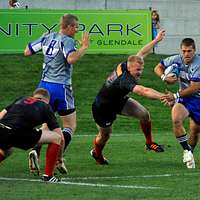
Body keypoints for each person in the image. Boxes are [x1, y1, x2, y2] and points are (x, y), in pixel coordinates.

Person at [24, 14, 90, 174]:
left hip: (43, 87)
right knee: (69, 125)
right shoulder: (67, 41)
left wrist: (42, 39)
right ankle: (57, 159)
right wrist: (84, 47)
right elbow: (71, 59)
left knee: (46, 124)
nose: (76, 30)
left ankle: (35, 150)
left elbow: (27, 51)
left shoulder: (47, 37)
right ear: (67, 27)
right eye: (75, 27)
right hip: (60, 87)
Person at [90, 30, 166, 165]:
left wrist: (156, 40)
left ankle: (149, 143)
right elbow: (143, 91)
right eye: (137, 70)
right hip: (103, 107)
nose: (140, 73)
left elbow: (141, 53)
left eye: (141, 69)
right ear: (130, 68)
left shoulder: (127, 64)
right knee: (105, 135)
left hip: (119, 101)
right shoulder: (125, 80)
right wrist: (164, 96)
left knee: (144, 115)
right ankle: (97, 155)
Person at [0, 88, 64, 183]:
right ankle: (48, 176)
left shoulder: (21, 99)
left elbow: (1, 115)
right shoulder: (45, 107)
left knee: (7, 150)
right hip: (17, 132)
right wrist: (59, 158)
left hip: (2, 129)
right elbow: (60, 137)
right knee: (56, 138)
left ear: (34, 96)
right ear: (47, 100)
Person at [154, 38, 200, 169]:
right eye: (184, 51)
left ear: (194, 51)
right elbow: (158, 67)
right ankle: (187, 151)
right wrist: (164, 77)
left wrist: (174, 96)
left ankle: (190, 151)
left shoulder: (198, 64)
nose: (186, 54)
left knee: (196, 130)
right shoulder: (176, 59)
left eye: (189, 51)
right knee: (176, 119)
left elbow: (195, 87)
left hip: (197, 98)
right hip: (185, 98)